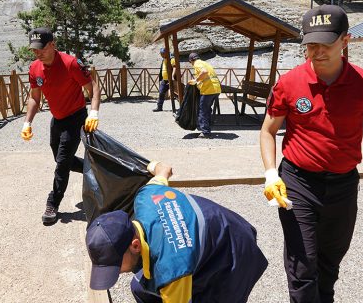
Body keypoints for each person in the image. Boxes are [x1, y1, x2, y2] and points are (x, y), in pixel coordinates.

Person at [259, 5, 363, 302]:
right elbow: (268, 131)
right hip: (297, 182)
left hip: (343, 185)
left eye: (326, 43)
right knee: (303, 264)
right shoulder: (289, 83)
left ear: (346, 41)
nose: (317, 51)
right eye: (311, 44)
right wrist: (271, 173)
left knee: (328, 264)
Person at [85, 161, 268, 303]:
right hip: (216, 234)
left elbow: (174, 276)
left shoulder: (172, 270)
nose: (116, 273)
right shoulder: (146, 195)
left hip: (236, 254)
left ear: (135, 245)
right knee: (139, 287)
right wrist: (152, 165)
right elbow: (164, 169)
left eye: (115, 266)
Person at [21, 27, 101, 225]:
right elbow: (35, 97)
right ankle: (93, 169)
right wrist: (27, 122)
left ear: (53, 44)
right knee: (59, 158)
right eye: (34, 49)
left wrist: (94, 112)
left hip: (75, 118)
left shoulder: (70, 63)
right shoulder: (34, 68)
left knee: (62, 163)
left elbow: (93, 87)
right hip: (56, 119)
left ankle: (52, 203)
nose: (37, 52)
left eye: (41, 48)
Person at [187, 53, 221, 138]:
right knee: (207, 110)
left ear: (191, 61)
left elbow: (204, 72)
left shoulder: (197, 63)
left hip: (208, 90)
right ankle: (207, 128)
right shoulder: (205, 63)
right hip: (216, 89)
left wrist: (196, 80)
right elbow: (207, 76)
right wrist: (198, 82)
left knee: (202, 110)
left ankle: (205, 132)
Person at [154, 47, 176, 112]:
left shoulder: (172, 59)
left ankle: (180, 108)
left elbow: (175, 67)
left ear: (166, 53)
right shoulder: (164, 59)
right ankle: (159, 107)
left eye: (162, 53)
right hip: (164, 79)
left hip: (171, 80)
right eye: (161, 54)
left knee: (175, 94)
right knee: (161, 92)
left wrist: (172, 77)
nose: (161, 55)